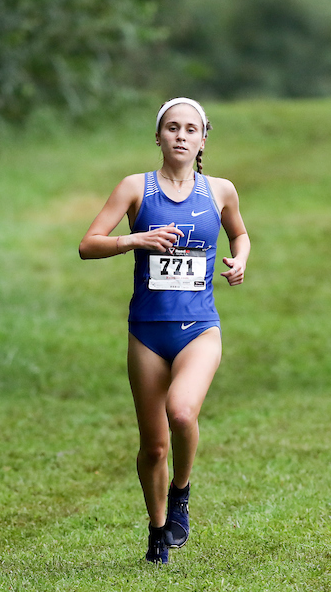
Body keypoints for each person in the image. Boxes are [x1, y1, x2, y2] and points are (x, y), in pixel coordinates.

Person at [79, 97, 250, 565]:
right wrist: (136, 238)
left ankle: (182, 494)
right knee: (153, 447)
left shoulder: (220, 191)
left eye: (190, 129)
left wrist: (240, 260)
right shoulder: (135, 188)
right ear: (158, 137)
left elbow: (239, 232)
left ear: (202, 139)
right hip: (147, 334)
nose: (180, 135)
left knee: (181, 412)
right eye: (172, 128)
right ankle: (158, 532)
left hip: (199, 329)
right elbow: (87, 244)